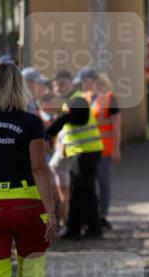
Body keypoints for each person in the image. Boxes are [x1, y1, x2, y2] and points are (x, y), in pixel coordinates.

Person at [0, 62, 57, 277]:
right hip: (27, 205)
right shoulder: (31, 123)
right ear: (20, 88)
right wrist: (52, 212)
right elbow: (39, 169)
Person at [44, 73, 104, 240]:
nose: (59, 88)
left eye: (62, 84)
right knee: (77, 192)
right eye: (56, 85)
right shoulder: (70, 102)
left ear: (71, 83)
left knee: (85, 191)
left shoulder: (77, 100)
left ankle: (93, 228)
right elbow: (68, 122)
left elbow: (78, 118)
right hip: (80, 152)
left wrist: (50, 131)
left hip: (86, 152)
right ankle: (74, 228)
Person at [85, 71, 121, 231]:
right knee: (89, 184)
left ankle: (102, 215)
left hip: (104, 150)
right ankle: (91, 216)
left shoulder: (109, 99)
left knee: (103, 183)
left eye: (97, 83)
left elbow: (116, 126)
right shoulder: (86, 98)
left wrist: (116, 149)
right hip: (87, 150)